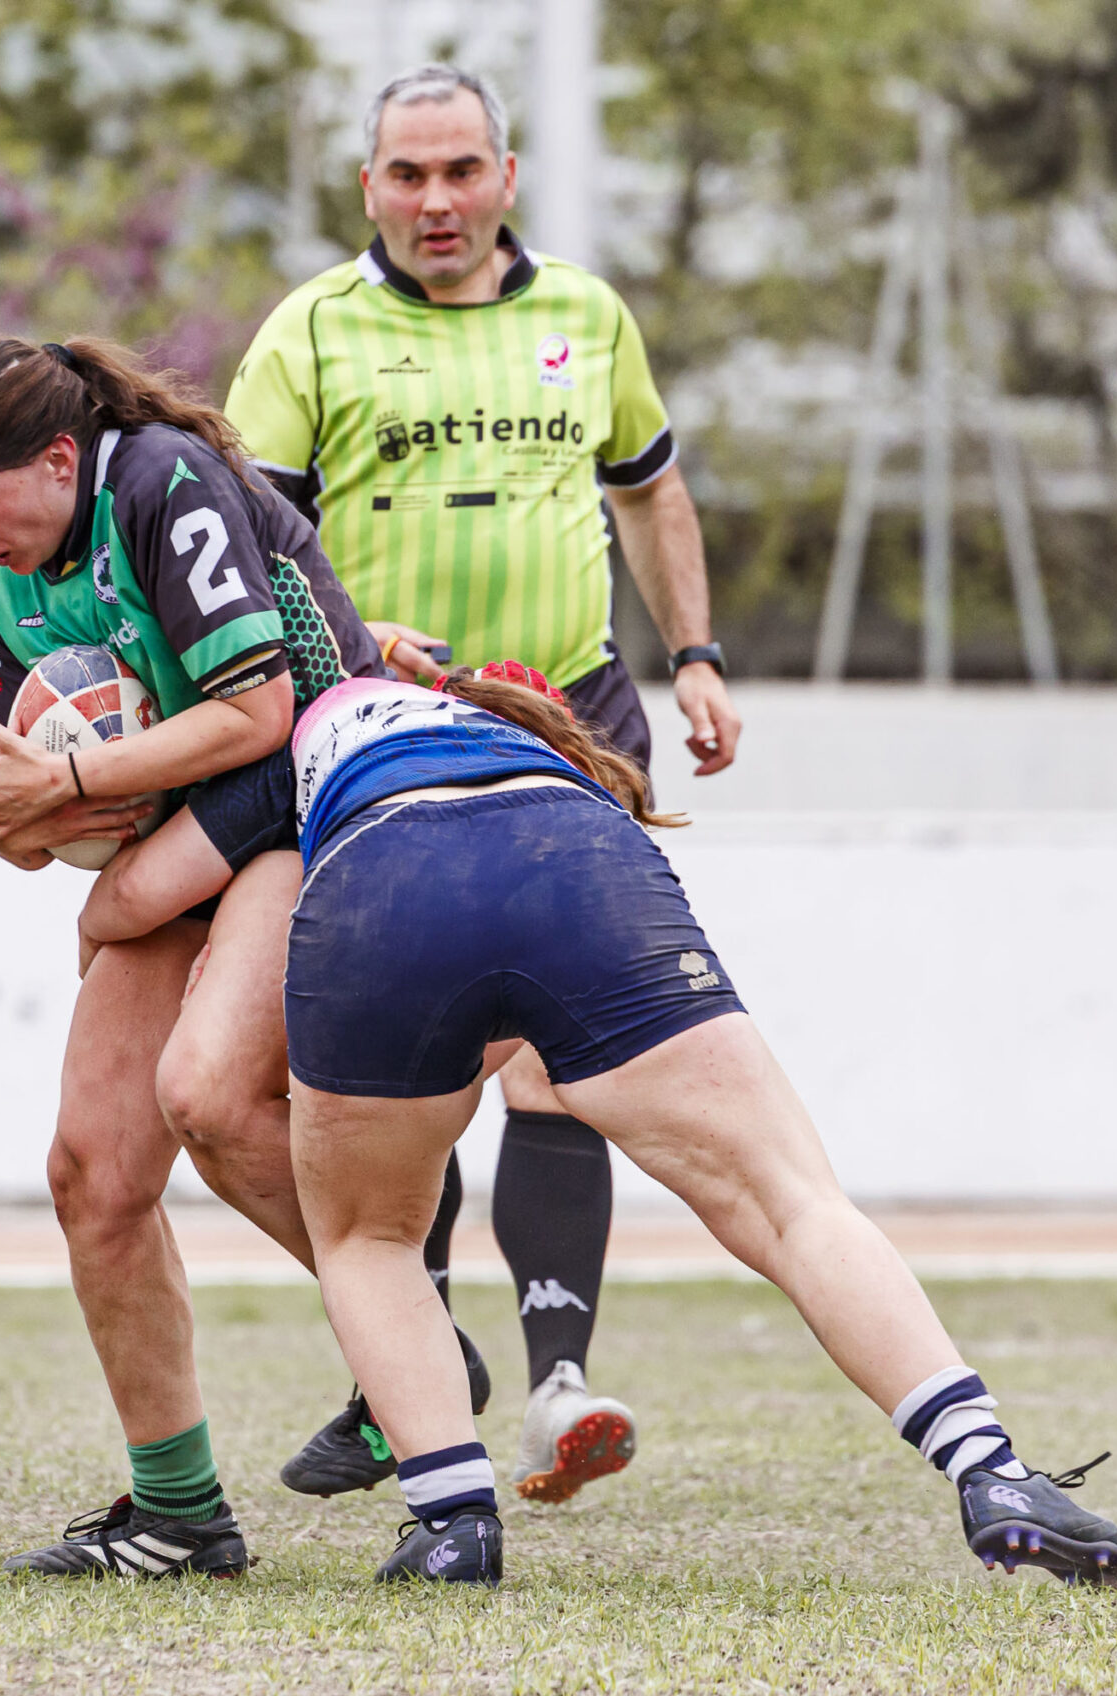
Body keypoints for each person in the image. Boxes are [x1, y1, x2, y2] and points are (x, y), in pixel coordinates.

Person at [276, 666, 1117, 1588]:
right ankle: (992, 1469)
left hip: (379, 871)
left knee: (371, 1236)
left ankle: (455, 1524)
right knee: (793, 1202)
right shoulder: (523, 752)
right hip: (578, 852)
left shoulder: (296, 720)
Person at [225, 62, 749, 1505]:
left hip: (572, 710)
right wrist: (348, 637)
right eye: (409, 174)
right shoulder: (311, 331)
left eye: (462, 170)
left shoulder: (586, 314)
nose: (437, 199)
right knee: (405, 1066)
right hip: (382, 731)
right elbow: (244, 543)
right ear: (369, 186)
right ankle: (411, 1375)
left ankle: (559, 1380)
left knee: (556, 1057)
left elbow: (648, 484)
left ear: (506, 177)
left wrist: (697, 655)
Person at [0, 335, 388, 1579]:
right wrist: (32, 815)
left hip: (309, 794)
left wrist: (72, 787)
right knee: (91, 1172)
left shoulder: (161, 481)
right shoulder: (12, 584)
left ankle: (405, 1323)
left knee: (206, 1092)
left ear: (60, 461)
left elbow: (258, 713)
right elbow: (36, 829)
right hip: (189, 830)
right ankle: (179, 1514)